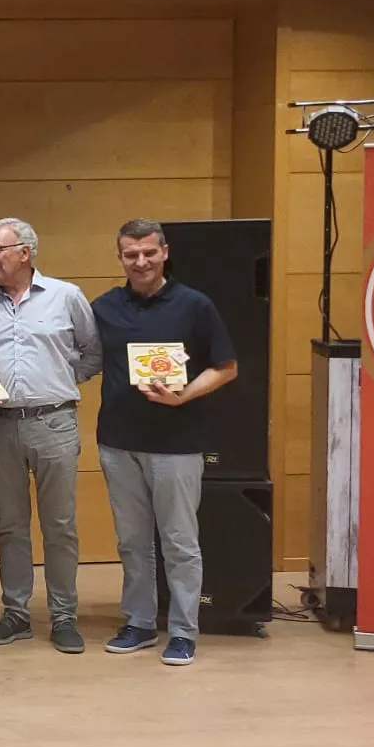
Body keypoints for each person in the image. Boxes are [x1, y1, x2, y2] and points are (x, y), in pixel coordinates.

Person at [93, 219, 238, 667]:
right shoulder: (104, 307)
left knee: (179, 541)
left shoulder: (195, 305)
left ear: (164, 252)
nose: (141, 261)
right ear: (120, 257)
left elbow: (227, 367)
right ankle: (138, 622)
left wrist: (183, 396)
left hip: (177, 443)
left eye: (149, 253)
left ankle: (182, 631)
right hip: (118, 441)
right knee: (132, 541)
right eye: (131, 254)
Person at [0, 217, 102, 654]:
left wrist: (58, 382)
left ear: (25, 252)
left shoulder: (66, 296)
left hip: (54, 421)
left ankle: (63, 616)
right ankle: (16, 614)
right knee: (10, 525)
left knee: (60, 525)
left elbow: (93, 351)